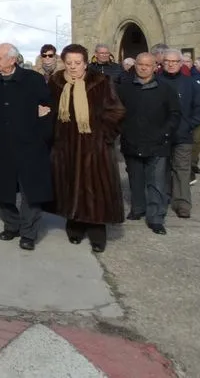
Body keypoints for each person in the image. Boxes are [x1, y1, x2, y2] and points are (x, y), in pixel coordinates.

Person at [0, 43, 54, 251]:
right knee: (3, 188)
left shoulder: (33, 80)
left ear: (13, 60)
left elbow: (48, 109)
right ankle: (11, 225)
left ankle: (28, 232)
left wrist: (42, 136)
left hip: (30, 145)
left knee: (31, 191)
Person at [47, 44, 126, 253]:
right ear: (64, 62)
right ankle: (74, 227)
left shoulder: (100, 81)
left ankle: (97, 234)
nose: (73, 67)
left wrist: (104, 135)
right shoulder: (55, 83)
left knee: (96, 190)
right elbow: (50, 112)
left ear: (85, 62)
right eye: (69, 63)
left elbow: (116, 111)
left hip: (95, 147)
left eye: (78, 63)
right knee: (70, 186)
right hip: (66, 146)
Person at [116, 53, 181, 235]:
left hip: (158, 143)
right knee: (135, 179)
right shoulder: (124, 88)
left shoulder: (166, 89)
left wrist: (165, 133)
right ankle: (137, 209)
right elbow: (117, 113)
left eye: (147, 65)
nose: (143, 68)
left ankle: (156, 218)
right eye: (140, 64)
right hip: (132, 141)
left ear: (155, 67)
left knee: (157, 182)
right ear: (135, 65)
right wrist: (123, 131)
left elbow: (175, 114)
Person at [158, 49, 200, 218]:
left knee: (182, 169)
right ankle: (160, 201)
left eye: (175, 61)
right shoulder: (155, 81)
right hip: (160, 135)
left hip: (183, 134)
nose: (171, 64)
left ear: (180, 63)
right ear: (162, 63)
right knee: (160, 170)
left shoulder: (190, 83)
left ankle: (183, 203)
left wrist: (189, 124)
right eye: (167, 61)